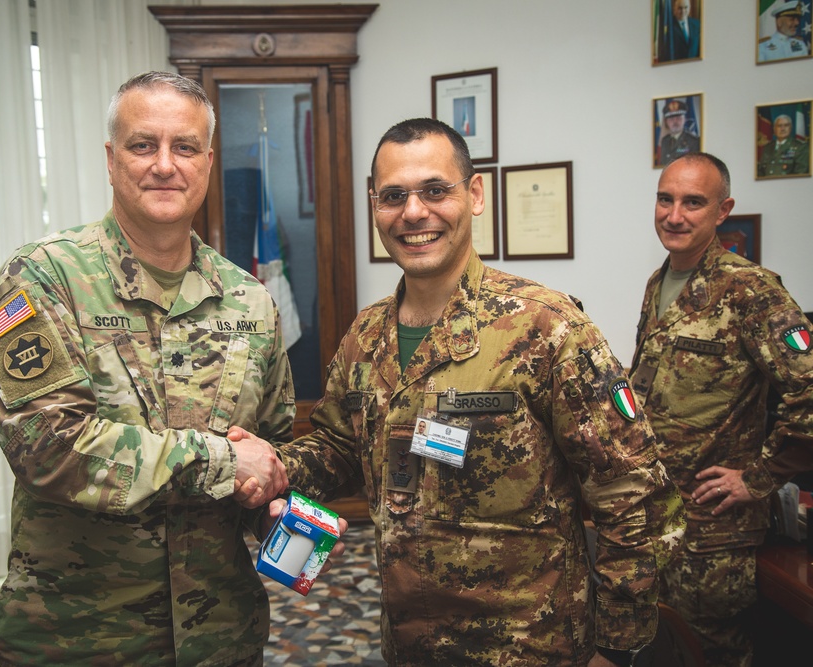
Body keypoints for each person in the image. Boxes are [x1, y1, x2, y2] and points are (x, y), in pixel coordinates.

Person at [236, 117, 686, 666]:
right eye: (393, 196)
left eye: (435, 190)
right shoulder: (365, 337)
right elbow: (337, 448)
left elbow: (634, 493)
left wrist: (616, 649)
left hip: (533, 649)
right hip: (409, 645)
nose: (414, 212)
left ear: (474, 194)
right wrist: (268, 467)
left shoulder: (545, 328)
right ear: (375, 207)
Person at [0, 71, 298, 666]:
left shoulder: (250, 300)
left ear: (206, 159)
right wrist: (228, 463)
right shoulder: (39, 279)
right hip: (80, 637)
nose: (164, 165)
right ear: (111, 157)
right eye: (143, 145)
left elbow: (270, 440)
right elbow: (50, 448)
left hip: (220, 635)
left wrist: (269, 492)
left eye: (184, 147)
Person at [630, 152, 813, 666]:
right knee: (663, 648)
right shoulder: (660, 281)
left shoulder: (752, 291)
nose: (675, 215)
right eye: (666, 199)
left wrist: (757, 477)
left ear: (722, 210)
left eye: (693, 202)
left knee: (712, 654)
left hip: (715, 532)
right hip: (659, 514)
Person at [757, 113, 810, 177]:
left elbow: (800, 173)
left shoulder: (801, 147)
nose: (782, 129)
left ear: (791, 128)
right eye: (779, 126)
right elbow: (760, 172)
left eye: (786, 125)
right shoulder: (767, 147)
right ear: (774, 129)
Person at [658, 98, 700, 166]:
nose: (675, 122)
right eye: (671, 119)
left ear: (685, 119)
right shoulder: (664, 141)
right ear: (666, 122)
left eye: (678, 118)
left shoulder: (694, 141)